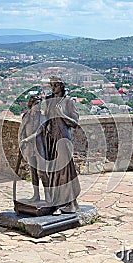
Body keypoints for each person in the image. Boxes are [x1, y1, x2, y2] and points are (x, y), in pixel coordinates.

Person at [44, 76, 81, 215]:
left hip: (64, 139)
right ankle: (55, 202)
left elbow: (75, 123)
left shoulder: (68, 101)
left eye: (55, 85)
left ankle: (67, 202)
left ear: (61, 86)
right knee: (53, 170)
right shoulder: (48, 100)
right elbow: (46, 119)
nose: (53, 88)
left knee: (64, 171)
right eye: (51, 85)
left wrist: (62, 115)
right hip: (52, 138)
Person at [19, 95, 51, 203]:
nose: (38, 106)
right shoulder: (26, 117)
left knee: (42, 171)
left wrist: (27, 139)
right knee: (33, 172)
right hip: (29, 148)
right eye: (36, 104)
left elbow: (38, 132)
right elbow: (22, 130)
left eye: (39, 104)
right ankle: (36, 194)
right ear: (31, 105)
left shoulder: (42, 117)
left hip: (39, 146)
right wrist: (22, 140)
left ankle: (48, 196)